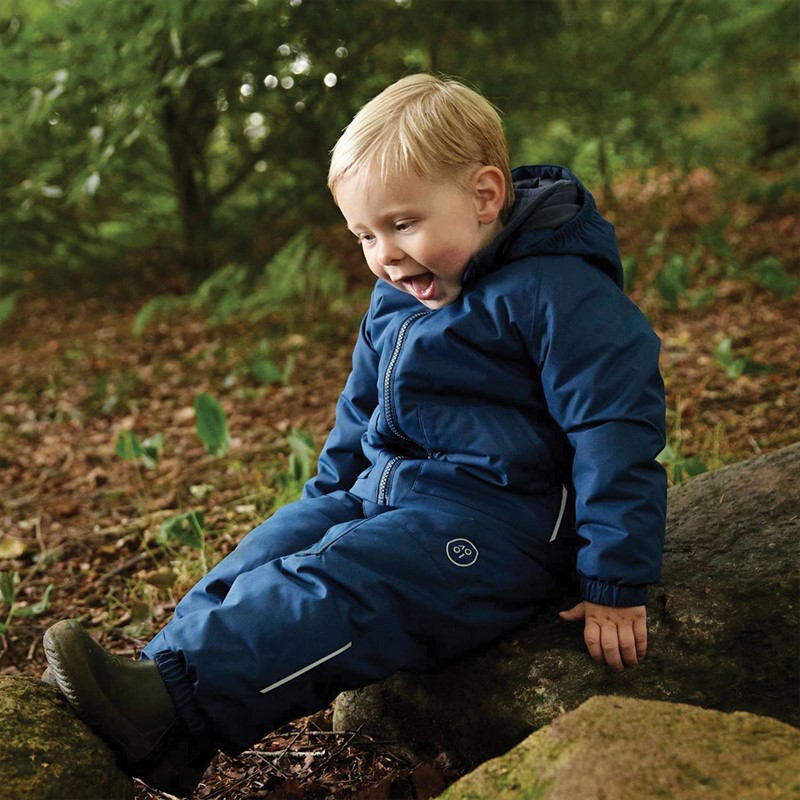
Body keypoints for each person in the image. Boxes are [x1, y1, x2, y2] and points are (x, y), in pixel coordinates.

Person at [43, 73, 667, 796]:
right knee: (273, 551)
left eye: (402, 225)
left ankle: (177, 704)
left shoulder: (560, 293)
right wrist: (324, 499)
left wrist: (616, 578)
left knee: (345, 585)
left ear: (485, 196)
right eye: (365, 236)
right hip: (385, 492)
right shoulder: (396, 294)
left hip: (501, 528)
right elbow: (361, 407)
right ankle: (160, 694)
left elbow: (615, 429)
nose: (385, 256)